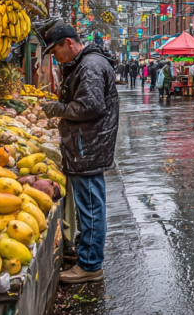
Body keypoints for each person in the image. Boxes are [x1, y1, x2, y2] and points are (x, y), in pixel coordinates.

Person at [39, 23, 119, 284]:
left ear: (69, 44)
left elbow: (90, 106)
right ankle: (86, 255)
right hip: (86, 144)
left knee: (91, 207)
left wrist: (57, 108)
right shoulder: (85, 63)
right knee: (89, 205)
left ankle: (90, 265)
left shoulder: (89, 65)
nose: (55, 57)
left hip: (89, 146)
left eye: (55, 51)